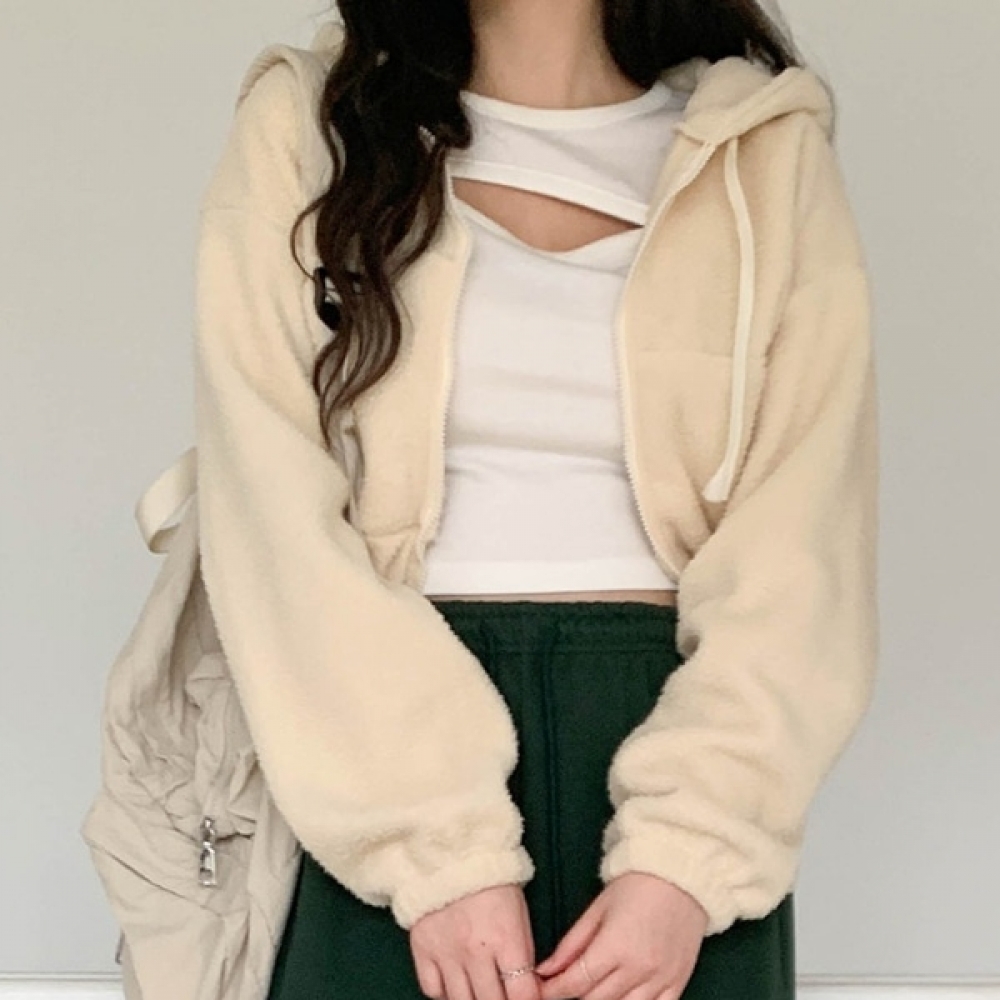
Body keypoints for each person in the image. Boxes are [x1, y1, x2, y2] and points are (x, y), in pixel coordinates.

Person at [190, 1, 880, 998]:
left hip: (679, 754)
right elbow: (267, 510)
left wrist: (689, 854)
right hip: (369, 750)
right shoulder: (307, 129)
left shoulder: (767, 151)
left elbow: (806, 541)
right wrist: (433, 845)